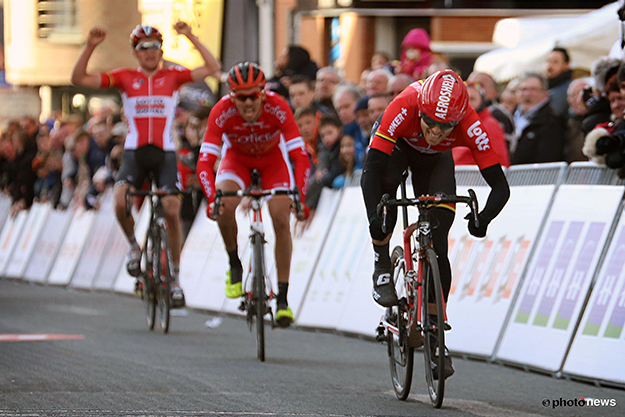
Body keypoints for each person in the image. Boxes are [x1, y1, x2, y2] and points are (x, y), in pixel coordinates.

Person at [361, 69, 510, 379]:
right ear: (422, 111)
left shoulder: (469, 121)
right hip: (398, 150)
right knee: (385, 197)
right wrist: (375, 218)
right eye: (430, 123)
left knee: (438, 242)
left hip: (436, 163)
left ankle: (435, 334)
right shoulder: (405, 104)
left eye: (446, 128)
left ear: (458, 120)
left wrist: (484, 218)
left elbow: (500, 186)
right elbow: (371, 172)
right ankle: (382, 263)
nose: (436, 133)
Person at [71, 22, 222, 308]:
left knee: (172, 209)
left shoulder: (173, 76)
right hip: (134, 154)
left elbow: (213, 67)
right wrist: (90, 45)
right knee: (119, 201)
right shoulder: (125, 77)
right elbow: (78, 77)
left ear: (161, 50)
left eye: (155, 46)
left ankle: (175, 278)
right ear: (135, 53)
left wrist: (190, 36)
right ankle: (132, 246)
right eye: (143, 47)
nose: (150, 52)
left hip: (165, 154)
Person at [196, 62, 311, 328]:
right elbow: (205, 162)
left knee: (281, 217)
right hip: (237, 160)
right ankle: (234, 264)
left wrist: (301, 198)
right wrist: (213, 197)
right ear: (231, 96)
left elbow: (299, 157)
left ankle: (282, 299)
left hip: (272, 162)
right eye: (241, 97)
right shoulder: (221, 111)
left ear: (263, 92)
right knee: (224, 204)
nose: (248, 103)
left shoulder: (278, 106)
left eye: (254, 96)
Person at [511, 72, 568, 165]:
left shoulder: (553, 122)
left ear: (545, 94)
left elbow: (548, 159)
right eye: (523, 89)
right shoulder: (510, 118)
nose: (527, 94)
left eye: (533, 89)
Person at [452, 82, 510, 167]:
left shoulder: (489, 125)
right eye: (463, 99)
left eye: (472, 99)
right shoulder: (455, 124)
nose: (467, 103)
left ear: (481, 101)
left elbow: (500, 162)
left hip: (473, 178)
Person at [546, 47, 573, 117]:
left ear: (566, 65)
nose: (550, 66)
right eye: (548, 61)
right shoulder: (546, 88)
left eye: (555, 62)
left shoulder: (570, 89)